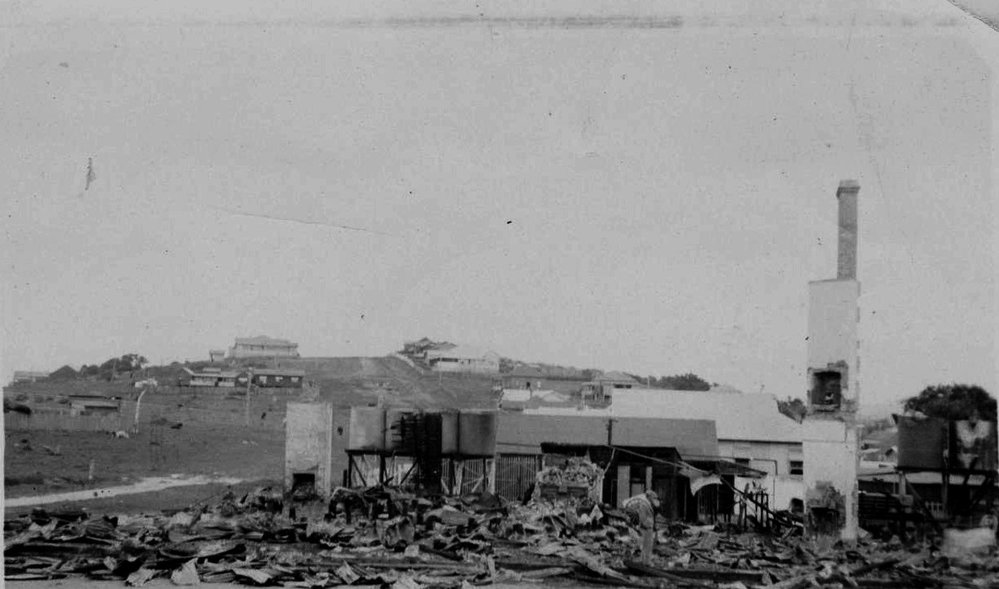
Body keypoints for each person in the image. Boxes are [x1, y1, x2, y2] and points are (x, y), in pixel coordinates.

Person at [623, 490, 660, 564]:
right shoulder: (644, 505)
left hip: (648, 528)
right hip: (646, 528)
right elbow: (642, 517)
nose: (653, 498)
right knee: (645, 546)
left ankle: (646, 562)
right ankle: (645, 562)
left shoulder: (648, 504)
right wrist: (648, 525)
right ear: (649, 497)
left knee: (648, 546)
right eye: (652, 497)